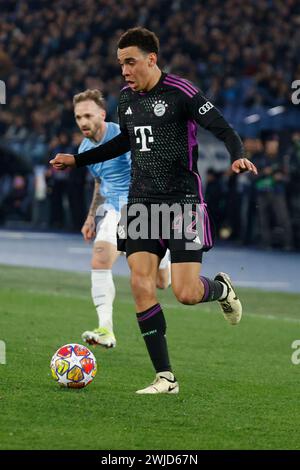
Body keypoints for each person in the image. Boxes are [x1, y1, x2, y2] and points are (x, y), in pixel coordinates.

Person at [51, 27, 258, 394]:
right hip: (141, 202)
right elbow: (123, 142)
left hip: (182, 203)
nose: (124, 70)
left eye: (130, 62)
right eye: (120, 64)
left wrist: (238, 155)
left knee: (185, 292)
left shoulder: (182, 92)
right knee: (140, 283)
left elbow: (223, 128)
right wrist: (78, 160)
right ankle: (166, 377)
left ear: (151, 59)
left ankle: (221, 289)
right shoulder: (126, 99)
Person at [73, 88, 170, 349]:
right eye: (78, 117)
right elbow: (98, 181)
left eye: (88, 115)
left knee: (162, 283)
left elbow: (146, 166)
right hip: (114, 211)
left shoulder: (122, 134)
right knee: (100, 258)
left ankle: (165, 252)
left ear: (102, 114)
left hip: (141, 208)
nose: (83, 122)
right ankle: (106, 329)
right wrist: (91, 216)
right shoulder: (83, 148)